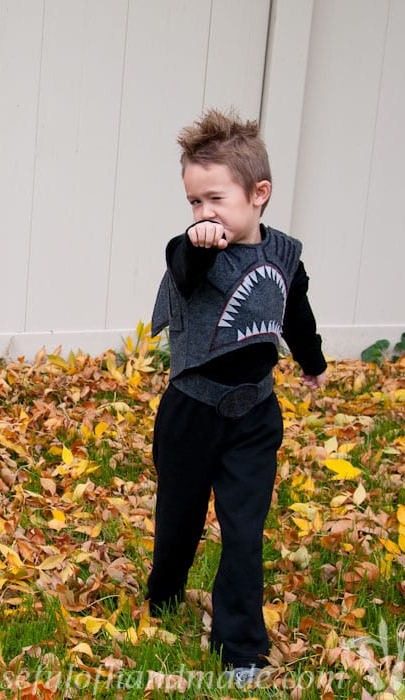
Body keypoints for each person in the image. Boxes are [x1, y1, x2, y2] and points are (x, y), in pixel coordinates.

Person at [147, 109, 327, 683]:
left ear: (259, 194)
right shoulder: (190, 251)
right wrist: (199, 243)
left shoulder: (286, 255)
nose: (203, 213)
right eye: (194, 202)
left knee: (245, 530)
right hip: (190, 411)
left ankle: (241, 649)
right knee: (179, 518)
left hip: (254, 413)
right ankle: (165, 593)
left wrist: (313, 361)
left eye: (215, 199)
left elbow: (294, 313)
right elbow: (185, 270)